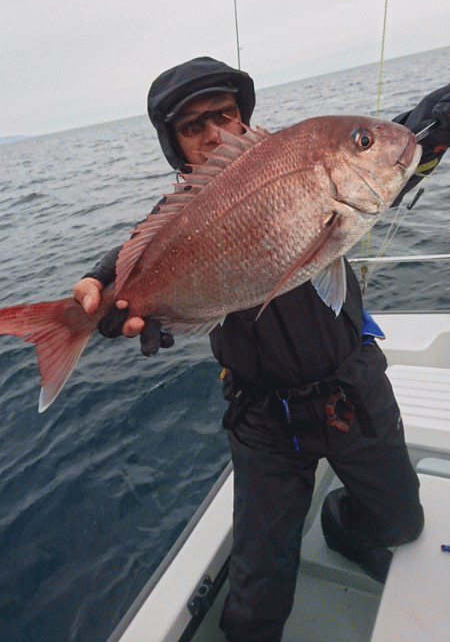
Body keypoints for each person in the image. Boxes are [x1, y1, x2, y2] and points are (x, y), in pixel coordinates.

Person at [73, 57, 450, 642]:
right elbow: (136, 253)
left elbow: (368, 163)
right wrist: (102, 291)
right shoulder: (179, 215)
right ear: (174, 145)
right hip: (263, 418)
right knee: (254, 605)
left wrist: (430, 129)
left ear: (244, 116)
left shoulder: (302, 165)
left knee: (402, 524)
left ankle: (343, 525)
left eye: (223, 115)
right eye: (192, 126)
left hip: (353, 385)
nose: (215, 134)